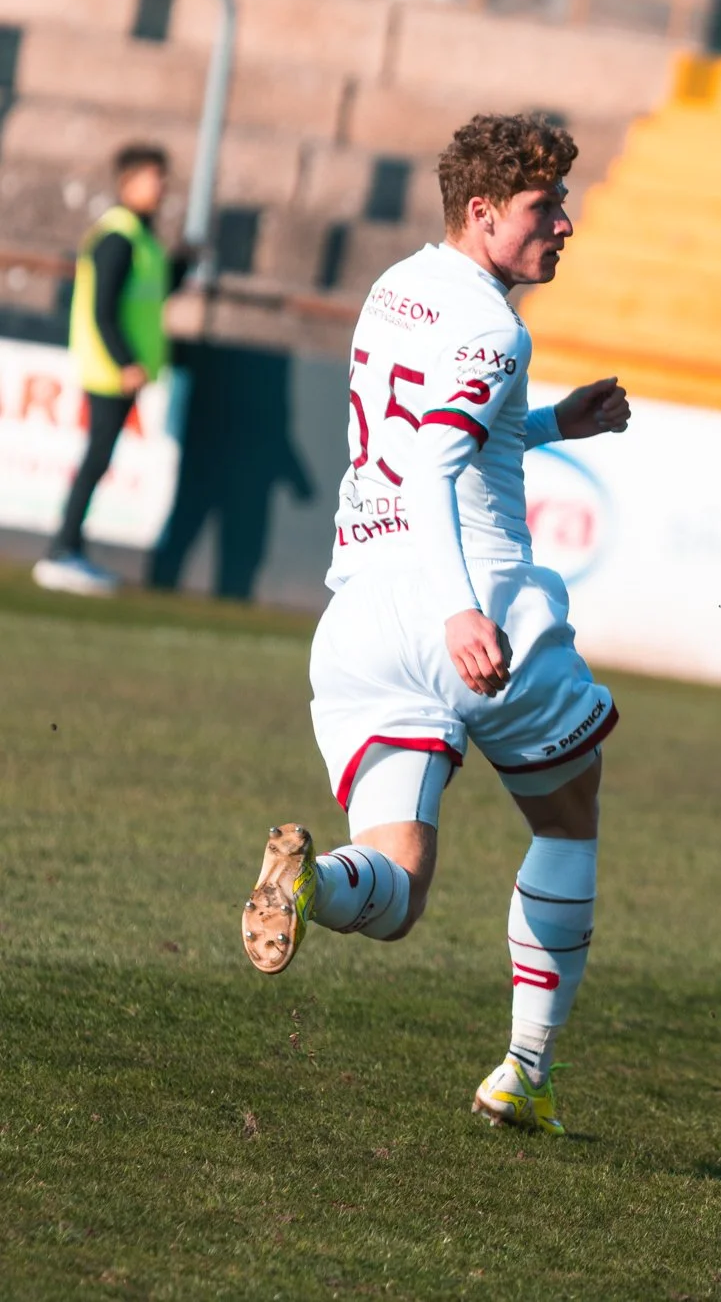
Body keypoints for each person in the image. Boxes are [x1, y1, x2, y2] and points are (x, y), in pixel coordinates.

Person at [239, 114, 631, 1136]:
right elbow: (435, 463)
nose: (565, 225)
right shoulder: (499, 329)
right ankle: (526, 1072)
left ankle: (310, 885)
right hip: (471, 602)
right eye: (545, 207)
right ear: (484, 212)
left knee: (398, 889)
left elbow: (433, 431)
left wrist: (553, 424)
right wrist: (461, 609)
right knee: (567, 819)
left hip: (364, 613)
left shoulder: (395, 287)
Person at [36, 143, 191, 597]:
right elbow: (103, 309)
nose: (161, 186)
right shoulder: (117, 236)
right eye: (153, 177)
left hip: (122, 372)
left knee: (99, 460)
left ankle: (68, 548)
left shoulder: (142, 238)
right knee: (95, 460)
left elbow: (152, 293)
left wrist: (182, 265)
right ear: (129, 182)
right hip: (110, 371)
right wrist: (126, 362)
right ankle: (61, 551)